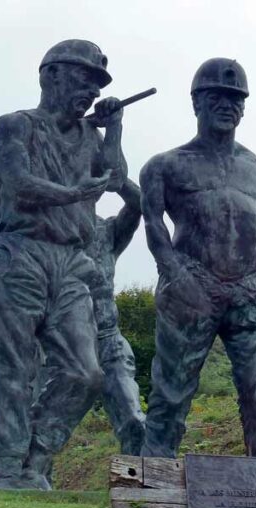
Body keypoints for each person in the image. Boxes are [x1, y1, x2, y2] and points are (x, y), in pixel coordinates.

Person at [139, 58, 256, 459]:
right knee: (172, 390)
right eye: (216, 97)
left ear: (244, 108)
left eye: (235, 100)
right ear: (196, 102)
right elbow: (153, 224)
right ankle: (150, 480)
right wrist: (174, 273)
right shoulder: (165, 166)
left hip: (253, 292)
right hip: (191, 288)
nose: (227, 106)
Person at [0, 39, 129, 489]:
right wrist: (75, 194)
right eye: (83, 79)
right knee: (12, 368)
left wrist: (115, 130)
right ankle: (6, 469)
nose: (91, 91)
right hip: (15, 253)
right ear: (50, 76)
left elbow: (115, 179)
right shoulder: (14, 126)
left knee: (87, 372)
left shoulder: (91, 136)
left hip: (69, 261)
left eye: (97, 84)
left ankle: (35, 458)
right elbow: (20, 185)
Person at [85, 179, 146, 455]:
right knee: (38, 425)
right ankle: (29, 488)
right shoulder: (49, 232)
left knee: (134, 421)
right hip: (57, 343)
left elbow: (140, 203)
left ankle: (142, 488)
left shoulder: (107, 232)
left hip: (107, 338)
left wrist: (118, 179)